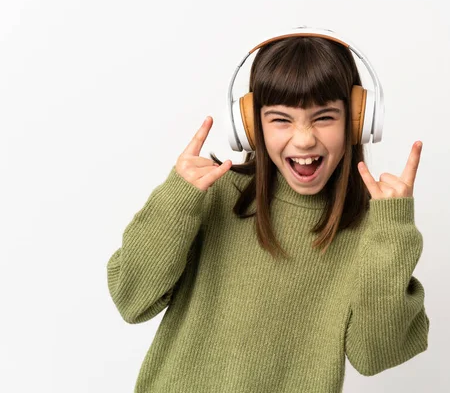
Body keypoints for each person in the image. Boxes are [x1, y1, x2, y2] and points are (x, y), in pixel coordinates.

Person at [106, 31, 429, 393]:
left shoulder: (374, 233)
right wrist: (174, 201)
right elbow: (131, 298)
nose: (304, 139)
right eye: (280, 119)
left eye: (324, 117)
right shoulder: (212, 196)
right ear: (250, 127)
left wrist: (393, 230)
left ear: (357, 122)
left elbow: (376, 355)